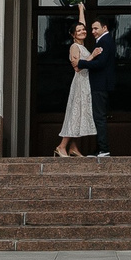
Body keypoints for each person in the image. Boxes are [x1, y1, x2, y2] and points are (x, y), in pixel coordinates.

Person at [53, 20, 95, 157]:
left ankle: (73, 147)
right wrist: (93, 55)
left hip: (86, 83)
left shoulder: (82, 46)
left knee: (82, 113)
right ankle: (61, 146)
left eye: (83, 29)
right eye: (79, 30)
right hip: (79, 83)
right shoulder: (74, 47)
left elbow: (81, 22)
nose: (83, 31)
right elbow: (77, 67)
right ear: (73, 34)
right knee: (75, 113)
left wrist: (81, 9)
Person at [83, 17, 117, 157]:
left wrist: (81, 63)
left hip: (100, 84)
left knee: (99, 117)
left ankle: (103, 149)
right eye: (92, 29)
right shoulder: (104, 40)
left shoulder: (105, 40)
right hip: (101, 84)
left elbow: (101, 63)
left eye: (96, 28)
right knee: (98, 117)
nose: (93, 31)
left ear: (105, 28)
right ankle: (99, 149)